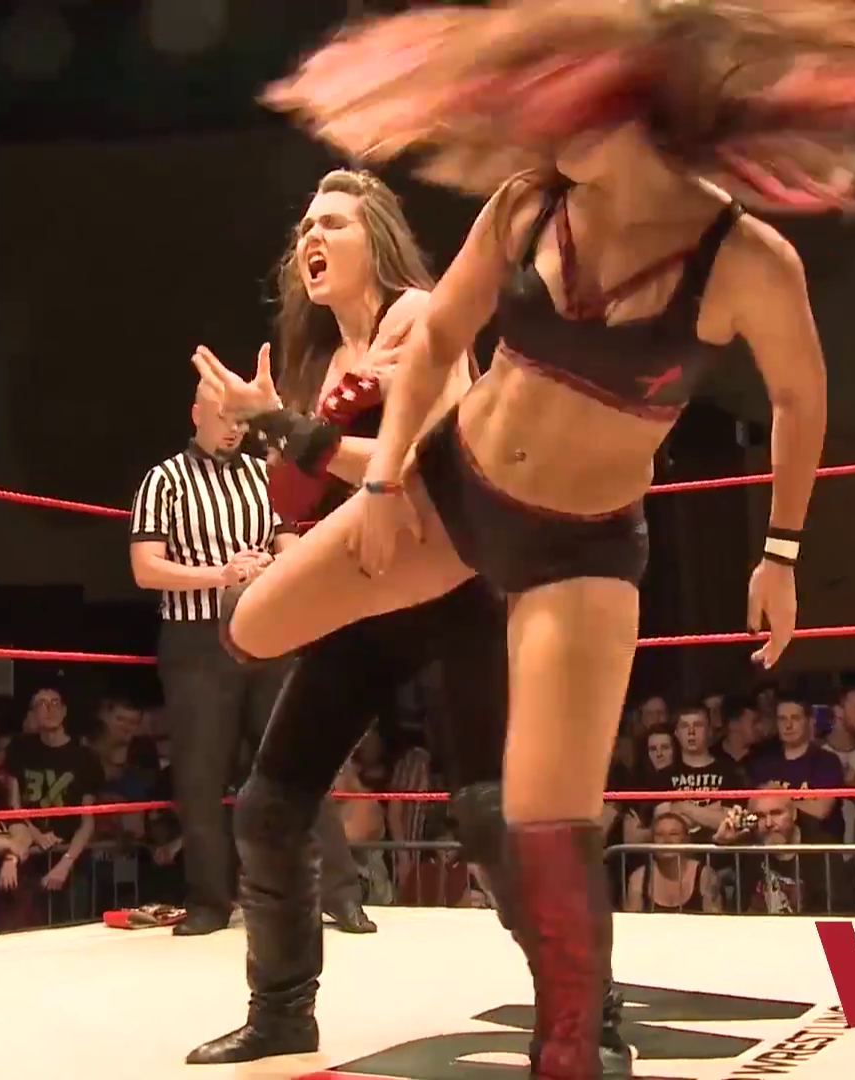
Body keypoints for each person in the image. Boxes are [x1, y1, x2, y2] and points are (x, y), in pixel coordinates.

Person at [213, 3, 855, 1074]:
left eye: (566, 103)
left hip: (577, 551)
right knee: (248, 627)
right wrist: (382, 480)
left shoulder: (744, 260)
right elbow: (438, 336)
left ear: (642, 110)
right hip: (453, 490)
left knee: (541, 816)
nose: (539, 126)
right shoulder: (529, 206)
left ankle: (575, 1041)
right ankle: (291, 999)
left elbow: (801, 400)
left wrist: (782, 552)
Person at [187, 169, 630, 1072]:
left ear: (375, 240)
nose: (312, 239)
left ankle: (591, 1018)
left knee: (493, 816)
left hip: (453, 587)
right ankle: (282, 1013)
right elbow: (313, 496)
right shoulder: (319, 363)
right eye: (304, 228)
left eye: (333, 223)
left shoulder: (422, 318)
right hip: (365, 602)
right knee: (268, 809)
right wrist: (277, 479)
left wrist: (285, 426)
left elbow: (431, 466)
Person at [128, 380, 365, 937]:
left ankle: (342, 894)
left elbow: (290, 545)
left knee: (300, 760)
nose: (234, 428)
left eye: (240, 419)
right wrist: (221, 574)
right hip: (197, 642)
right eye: (223, 417)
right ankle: (210, 902)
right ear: (197, 414)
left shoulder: (265, 475)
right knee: (201, 774)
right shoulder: (164, 480)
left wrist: (277, 568)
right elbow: (145, 567)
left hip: (266, 631)